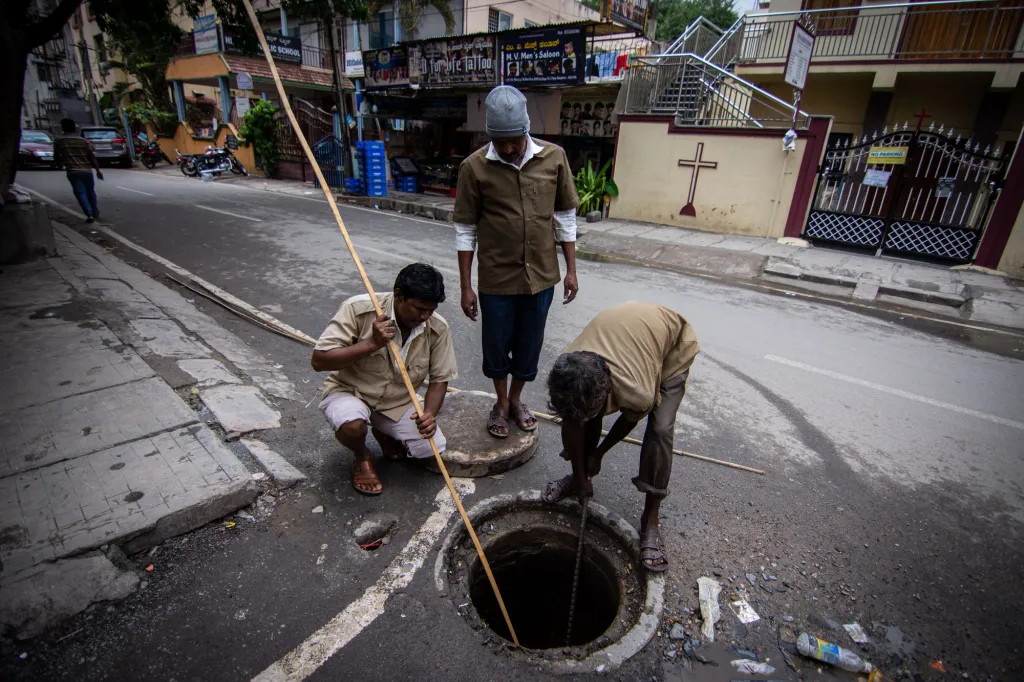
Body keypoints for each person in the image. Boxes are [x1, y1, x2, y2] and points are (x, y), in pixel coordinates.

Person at [454, 85, 580, 439]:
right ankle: (500, 401)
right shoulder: (474, 168)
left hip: (541, 276)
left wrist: (571, 270)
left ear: (526, 129)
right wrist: (466, 286)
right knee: (495, 345)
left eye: (514, 139)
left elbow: (565, 217)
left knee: (529, 343)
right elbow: (465, 230)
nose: (508, 148)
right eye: (500, 140)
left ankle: (516, 399)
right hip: (496, 278)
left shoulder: (555, 158)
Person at [543, 302, 700, 572]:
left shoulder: (636, 392)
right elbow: (573, 423)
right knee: (582, 414)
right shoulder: (568, 366)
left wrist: (599, 453)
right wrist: (579, 476)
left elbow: (629, 420)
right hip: (629, 336)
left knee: (661, 429)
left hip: (671, 346)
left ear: (607, 390)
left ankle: (651, 516)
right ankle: (579, 479)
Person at [311, 263, 458, 495]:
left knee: (430, 448)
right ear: (398, 295)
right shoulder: (357, 308)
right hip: (350, 391)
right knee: (352, 426)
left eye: (430, 310)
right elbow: (319, 361)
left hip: (396, 402)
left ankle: (383, 430)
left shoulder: (437, 327)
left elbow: (440, 378)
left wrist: (429, 413)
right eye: (419, 309)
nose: (424, 316)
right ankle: (362, 455)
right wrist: (371, 344)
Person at [53, 118, 103, 223]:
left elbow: (57, 156)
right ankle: (94, 210)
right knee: (91, 191)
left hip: (73, 171)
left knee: (81, 193)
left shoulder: (59, 141)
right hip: (87, 170)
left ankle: (89, 214)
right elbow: (92, 156)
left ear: (63, 128)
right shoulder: (83, 141)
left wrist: (58, 164)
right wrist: (98, 170)